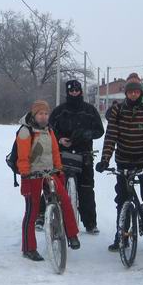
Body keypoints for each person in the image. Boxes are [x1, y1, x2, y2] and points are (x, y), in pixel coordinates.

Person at [95, 72, 143, 249]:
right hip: (124, 160)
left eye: (136, 91)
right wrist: (105, 159)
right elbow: (111, 136)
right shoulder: (118, 111)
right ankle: (121, 237)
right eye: (130, 92)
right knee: (122, 199)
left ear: (141, 92)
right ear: (126, 93)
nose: (133, 94)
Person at [17, 100, 80, 260]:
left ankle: (72, 235)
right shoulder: (26, 132)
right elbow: (22, 157)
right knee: (32, 211)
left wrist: (59, 170)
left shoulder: (49, 130)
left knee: (65, 201)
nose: (43, 116)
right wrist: (25, 174)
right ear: (34, 114)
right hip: (33, 175)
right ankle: (29, 248)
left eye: (46, 113)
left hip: (49, 172)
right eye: (40, 113)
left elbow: (55, 152)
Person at [48, 79, 105, 234]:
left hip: (84, 154)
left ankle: (90, 223)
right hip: (62, 154)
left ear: (81, 91)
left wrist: (87, 134)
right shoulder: (59, 111)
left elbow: (99, 131)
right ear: (67, 92)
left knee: (86, 189)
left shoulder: (89, 110)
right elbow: (49, 129)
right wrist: (59, 139)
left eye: (76, 90)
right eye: (71, 90)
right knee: (56, 186)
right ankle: (45, 216)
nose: (74, 93)